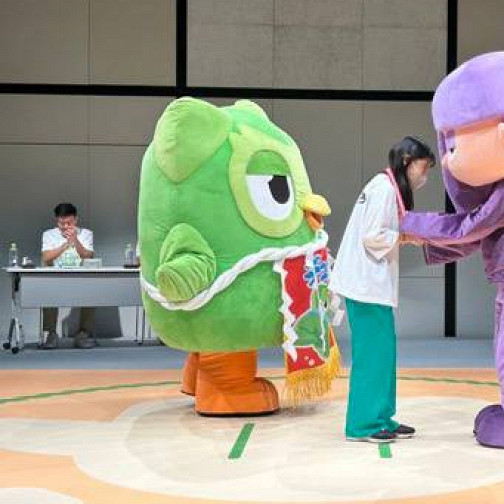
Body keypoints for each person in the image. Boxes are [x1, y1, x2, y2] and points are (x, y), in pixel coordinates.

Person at [329, 136, 435, 443]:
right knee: (372, 356)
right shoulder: (384, 189)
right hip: (364, 285)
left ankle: (382, 416)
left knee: (383, 353)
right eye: (423, 167)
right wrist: (406, 238)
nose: (424, 176)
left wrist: (405, 236)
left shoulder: (386, 187)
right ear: (407, 162)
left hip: (370, 284)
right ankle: (363, 425)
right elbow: (373, 236)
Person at [41, 203, 95, 349]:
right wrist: (65, 245)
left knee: (92, 292)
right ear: (56, 220)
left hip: (81, 277)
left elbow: (88, 256)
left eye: (69, 223)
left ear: (76, 219)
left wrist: (75, 240)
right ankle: (51, 334)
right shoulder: (49, 234)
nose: (65, 226)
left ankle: (83, 334)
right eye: (61, 223)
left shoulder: (86, 233)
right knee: (47, 293)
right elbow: (46, 258)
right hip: (56, 277)